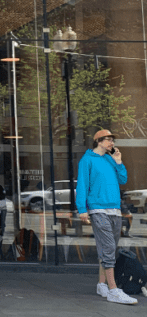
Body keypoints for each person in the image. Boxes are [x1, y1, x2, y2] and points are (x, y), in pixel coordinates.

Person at [76, 129, 138, 305]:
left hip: (115, 209)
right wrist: (82, 209)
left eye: (112, 139)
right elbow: (82, 185)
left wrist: (119, 162)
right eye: (108, 140)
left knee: (108, 248)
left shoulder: (110, 160)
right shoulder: (87, 160)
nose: (112, 143)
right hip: (98, 209)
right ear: (98, 141)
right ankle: (113, 290)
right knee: (109, 248)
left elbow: (123, 179)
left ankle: (101, 284)